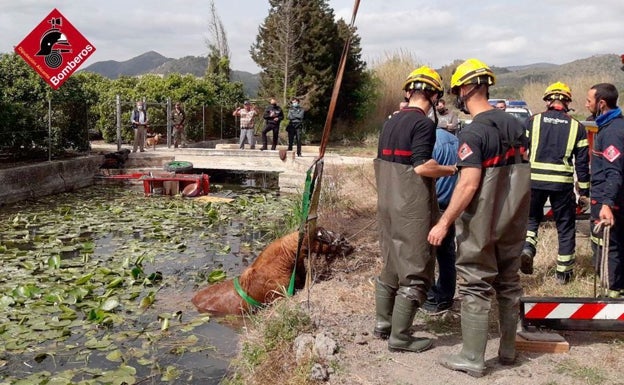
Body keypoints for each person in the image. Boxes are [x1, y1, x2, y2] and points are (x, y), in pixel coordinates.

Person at [427, 58, 530, 377]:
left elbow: (469, 183)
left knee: (475, 282)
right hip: (514, 218)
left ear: (468, 88)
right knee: (509, 282)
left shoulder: (473, 132)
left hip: (482, 221)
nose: (457, 94)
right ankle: (509, 351)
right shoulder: (518, 125)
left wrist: (444, 222)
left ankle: (472, 357)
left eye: (458, 89)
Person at [373, 66, 457, 353]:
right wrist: (451, 169)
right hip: (410, 206)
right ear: (434, 95)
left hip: (386, 201)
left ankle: (383, 324)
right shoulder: (424, 124)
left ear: (408, 92)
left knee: (391, 263)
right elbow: (422, 166)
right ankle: (401, 337)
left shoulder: (390, 122)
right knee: (416, 270)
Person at [520, 82, 590, 283]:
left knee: (532, 219)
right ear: (567, 101)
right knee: (565, 227)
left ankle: (527, 248)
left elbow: (521, 153)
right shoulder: (577, 126)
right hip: (562, 185)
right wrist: (584, 190)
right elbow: (583, 164)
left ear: (548, 100)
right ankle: (563, 274)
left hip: (534, 181)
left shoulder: (532, 121)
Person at [585, 83, 624, 298]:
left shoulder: (612, 133)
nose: (586, 104)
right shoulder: (610, 127)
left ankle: (612, 292)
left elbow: (614, 172)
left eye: (589, 101)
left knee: (609, 245)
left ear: (601, 103)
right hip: (607, 197)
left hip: (607, 201)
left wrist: (606, 204)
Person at [421, 125, 459, 314]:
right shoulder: (454, 140)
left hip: (434, 203)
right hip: (451, 203)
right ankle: (445, 295)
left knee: (426, 252)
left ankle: (432, 296)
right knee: (447, 253)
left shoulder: (428, 142)